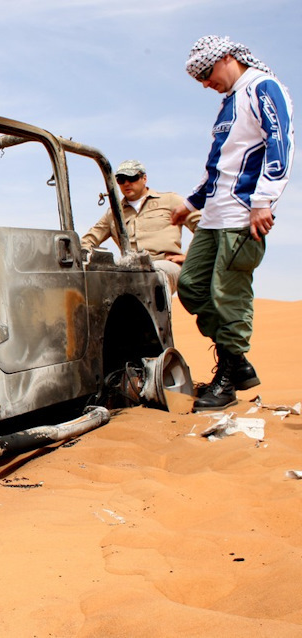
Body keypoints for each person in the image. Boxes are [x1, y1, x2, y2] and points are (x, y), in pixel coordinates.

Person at [170, 35, 294, 411]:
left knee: (229, 295)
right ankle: (237, 362)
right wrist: (191, 202)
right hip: (212, 216)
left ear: (226, 58)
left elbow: (280, 141)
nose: (207, 84)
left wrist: (263, 201)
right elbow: (221, 162)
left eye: (207, 75)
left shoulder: (263, 88)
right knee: (190, 286)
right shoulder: (229, 103)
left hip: (243, 214)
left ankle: (227, 380)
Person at [81, 159, 200, 294]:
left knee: (149, 277)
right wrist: (82, 254)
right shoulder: (113, 213)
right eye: (121, 179)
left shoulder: (170, 200)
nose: (126, 183)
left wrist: (189, 256)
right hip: (129, 268)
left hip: (164, 265)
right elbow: (89, 239)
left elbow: (202, 226)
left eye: (132, 178)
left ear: (144, 178)